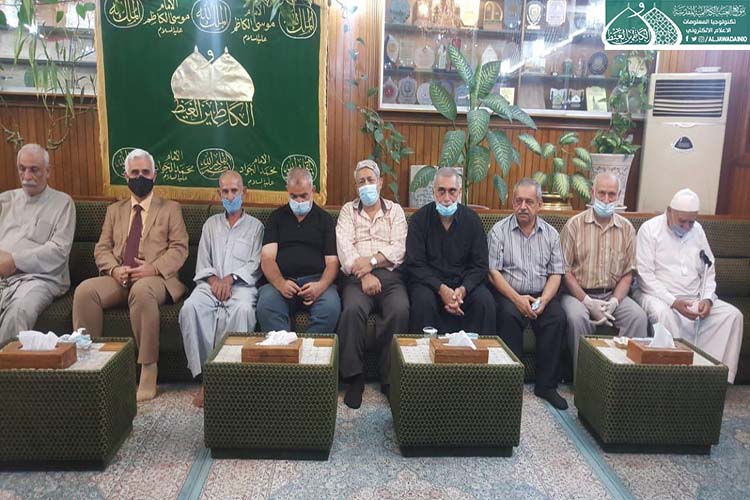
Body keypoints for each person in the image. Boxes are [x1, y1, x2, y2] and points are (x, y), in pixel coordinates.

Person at [73, 148, 189, 401]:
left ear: (154, 175)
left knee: (142, 290)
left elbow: (180, 249)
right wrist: (114, 270)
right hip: (119, 277)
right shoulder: (114, 210)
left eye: (145, 172)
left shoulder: (170, 208)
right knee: (84, 291)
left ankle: (148, 369)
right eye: (135, 173)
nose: (140, 177)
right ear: (126, 176)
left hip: (156, 279)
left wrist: (152, 268)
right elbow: (102, 248)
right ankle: (90, 365)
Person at [634, 188, 743, 383]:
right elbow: (645, 276)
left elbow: (709, 268)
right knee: (662, 314)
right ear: (669, 212)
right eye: (682, 221)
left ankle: (713, 378)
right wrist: (673, 302)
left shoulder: (697, 230)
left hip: (694, 297)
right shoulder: (649, 229)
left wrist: (707, 299)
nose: (686, 227)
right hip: (658, 296)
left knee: (732, 315)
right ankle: (671, 379)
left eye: (691, 222)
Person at [178, 171, 263, 407]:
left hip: (241, 286)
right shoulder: (210, 225)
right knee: (191, 308)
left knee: (243, 311)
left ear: (244, 193)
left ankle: (231, 381)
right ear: (219, 194)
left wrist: (231, 279)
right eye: (225, 191)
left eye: (235, 191)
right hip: (210, 285)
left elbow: (255, 264)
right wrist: (216, 281)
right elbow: (203, 262)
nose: (230, 196)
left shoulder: (256, 227)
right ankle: (207, 379)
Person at [487, 178, 568, 410]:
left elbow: (556, 273)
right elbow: (493, 272)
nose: (523, 206)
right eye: (518, 201)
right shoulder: (499, 231)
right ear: (513, 203)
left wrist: (544, 300)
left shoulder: (551, 234)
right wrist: (516, 299)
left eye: (529, 202)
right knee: (508, 316)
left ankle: (546, 386)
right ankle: (510, 385)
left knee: (556, 317)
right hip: (509, 294)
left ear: (539, 204)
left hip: (542, 293)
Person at [336, 159, 409, 409]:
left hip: (390, 277)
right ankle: (354, 378)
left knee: (400, 310)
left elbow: (399, 248)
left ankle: (389, 379)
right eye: (361, 182)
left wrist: (373, 262)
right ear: (356, 186)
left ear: (380, 183)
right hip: (356, 278)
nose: (366, 185)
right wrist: (364, 274)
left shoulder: (395, 211)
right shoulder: (348, 211)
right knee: (351, 310)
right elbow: (345, 249)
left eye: (370, 180)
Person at [559, 173, 647, 371]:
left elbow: (628, 273)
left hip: (613, 295)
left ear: (619, 195)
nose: (606, 200)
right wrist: (587, 302)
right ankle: (585, 379)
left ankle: (624, 376)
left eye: (611, 194)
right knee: (577, 318)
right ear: (592, 193)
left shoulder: (627, 229)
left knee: (638, 317)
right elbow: (565, 271)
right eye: (602, 193)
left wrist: (614, 302)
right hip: (577, 294)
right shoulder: (574, 225)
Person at [405, 167, 495, 336]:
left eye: (452, 191)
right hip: (430, 286)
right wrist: (441, 289)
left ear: (459, 193)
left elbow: (480, 265)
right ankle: (424, 353)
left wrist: (462, 290)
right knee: (423, 301)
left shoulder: (472, 221)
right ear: (433, 192)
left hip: (464, 287)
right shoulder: (419, 220)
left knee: (485, 301)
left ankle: (478, 353)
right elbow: (415, 264)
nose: (447, 198)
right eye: (441, 191)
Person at [0, 144, 75, 342]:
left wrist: (14, 260)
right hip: (2, 277)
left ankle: (9, 361)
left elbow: (58, 252)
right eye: (22, 168)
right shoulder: (4, 201)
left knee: (19, 311)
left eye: (34, 169)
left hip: (39, 279)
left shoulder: (63, 203)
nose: (27, 176)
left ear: (48, 171)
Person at [256, 168, 340, 334]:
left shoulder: (325, 219)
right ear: (287, 191)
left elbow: (332, 263)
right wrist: (280, 283)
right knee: (266, 304)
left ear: (312, 190)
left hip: (317, 282)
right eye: (294, 196)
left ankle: (310, 349)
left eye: (304, 196)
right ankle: (283, 348)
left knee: (330, 307)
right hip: (282, 282)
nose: (299, 201)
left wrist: (320, 286)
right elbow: (267, 258)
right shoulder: (276, 217)